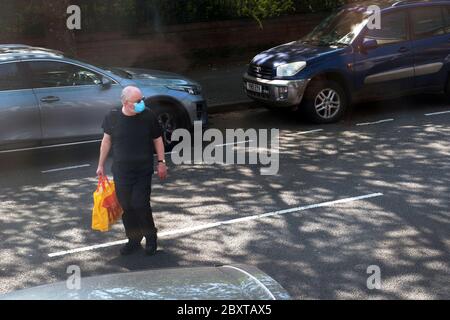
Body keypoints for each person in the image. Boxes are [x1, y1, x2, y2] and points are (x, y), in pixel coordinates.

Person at [96, 86, 168, 256]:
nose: (141, 103)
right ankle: (134, 239)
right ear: (125, 102)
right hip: (121, 171)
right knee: (127, 206)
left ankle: (151, 238)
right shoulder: (112, 117)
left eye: (142, 99)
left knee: (140, 204)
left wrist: (161, 162)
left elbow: (157, 139)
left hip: (143, 170)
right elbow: (106, 141)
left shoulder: (148, 115)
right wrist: (100, 165)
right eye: (137, 101)